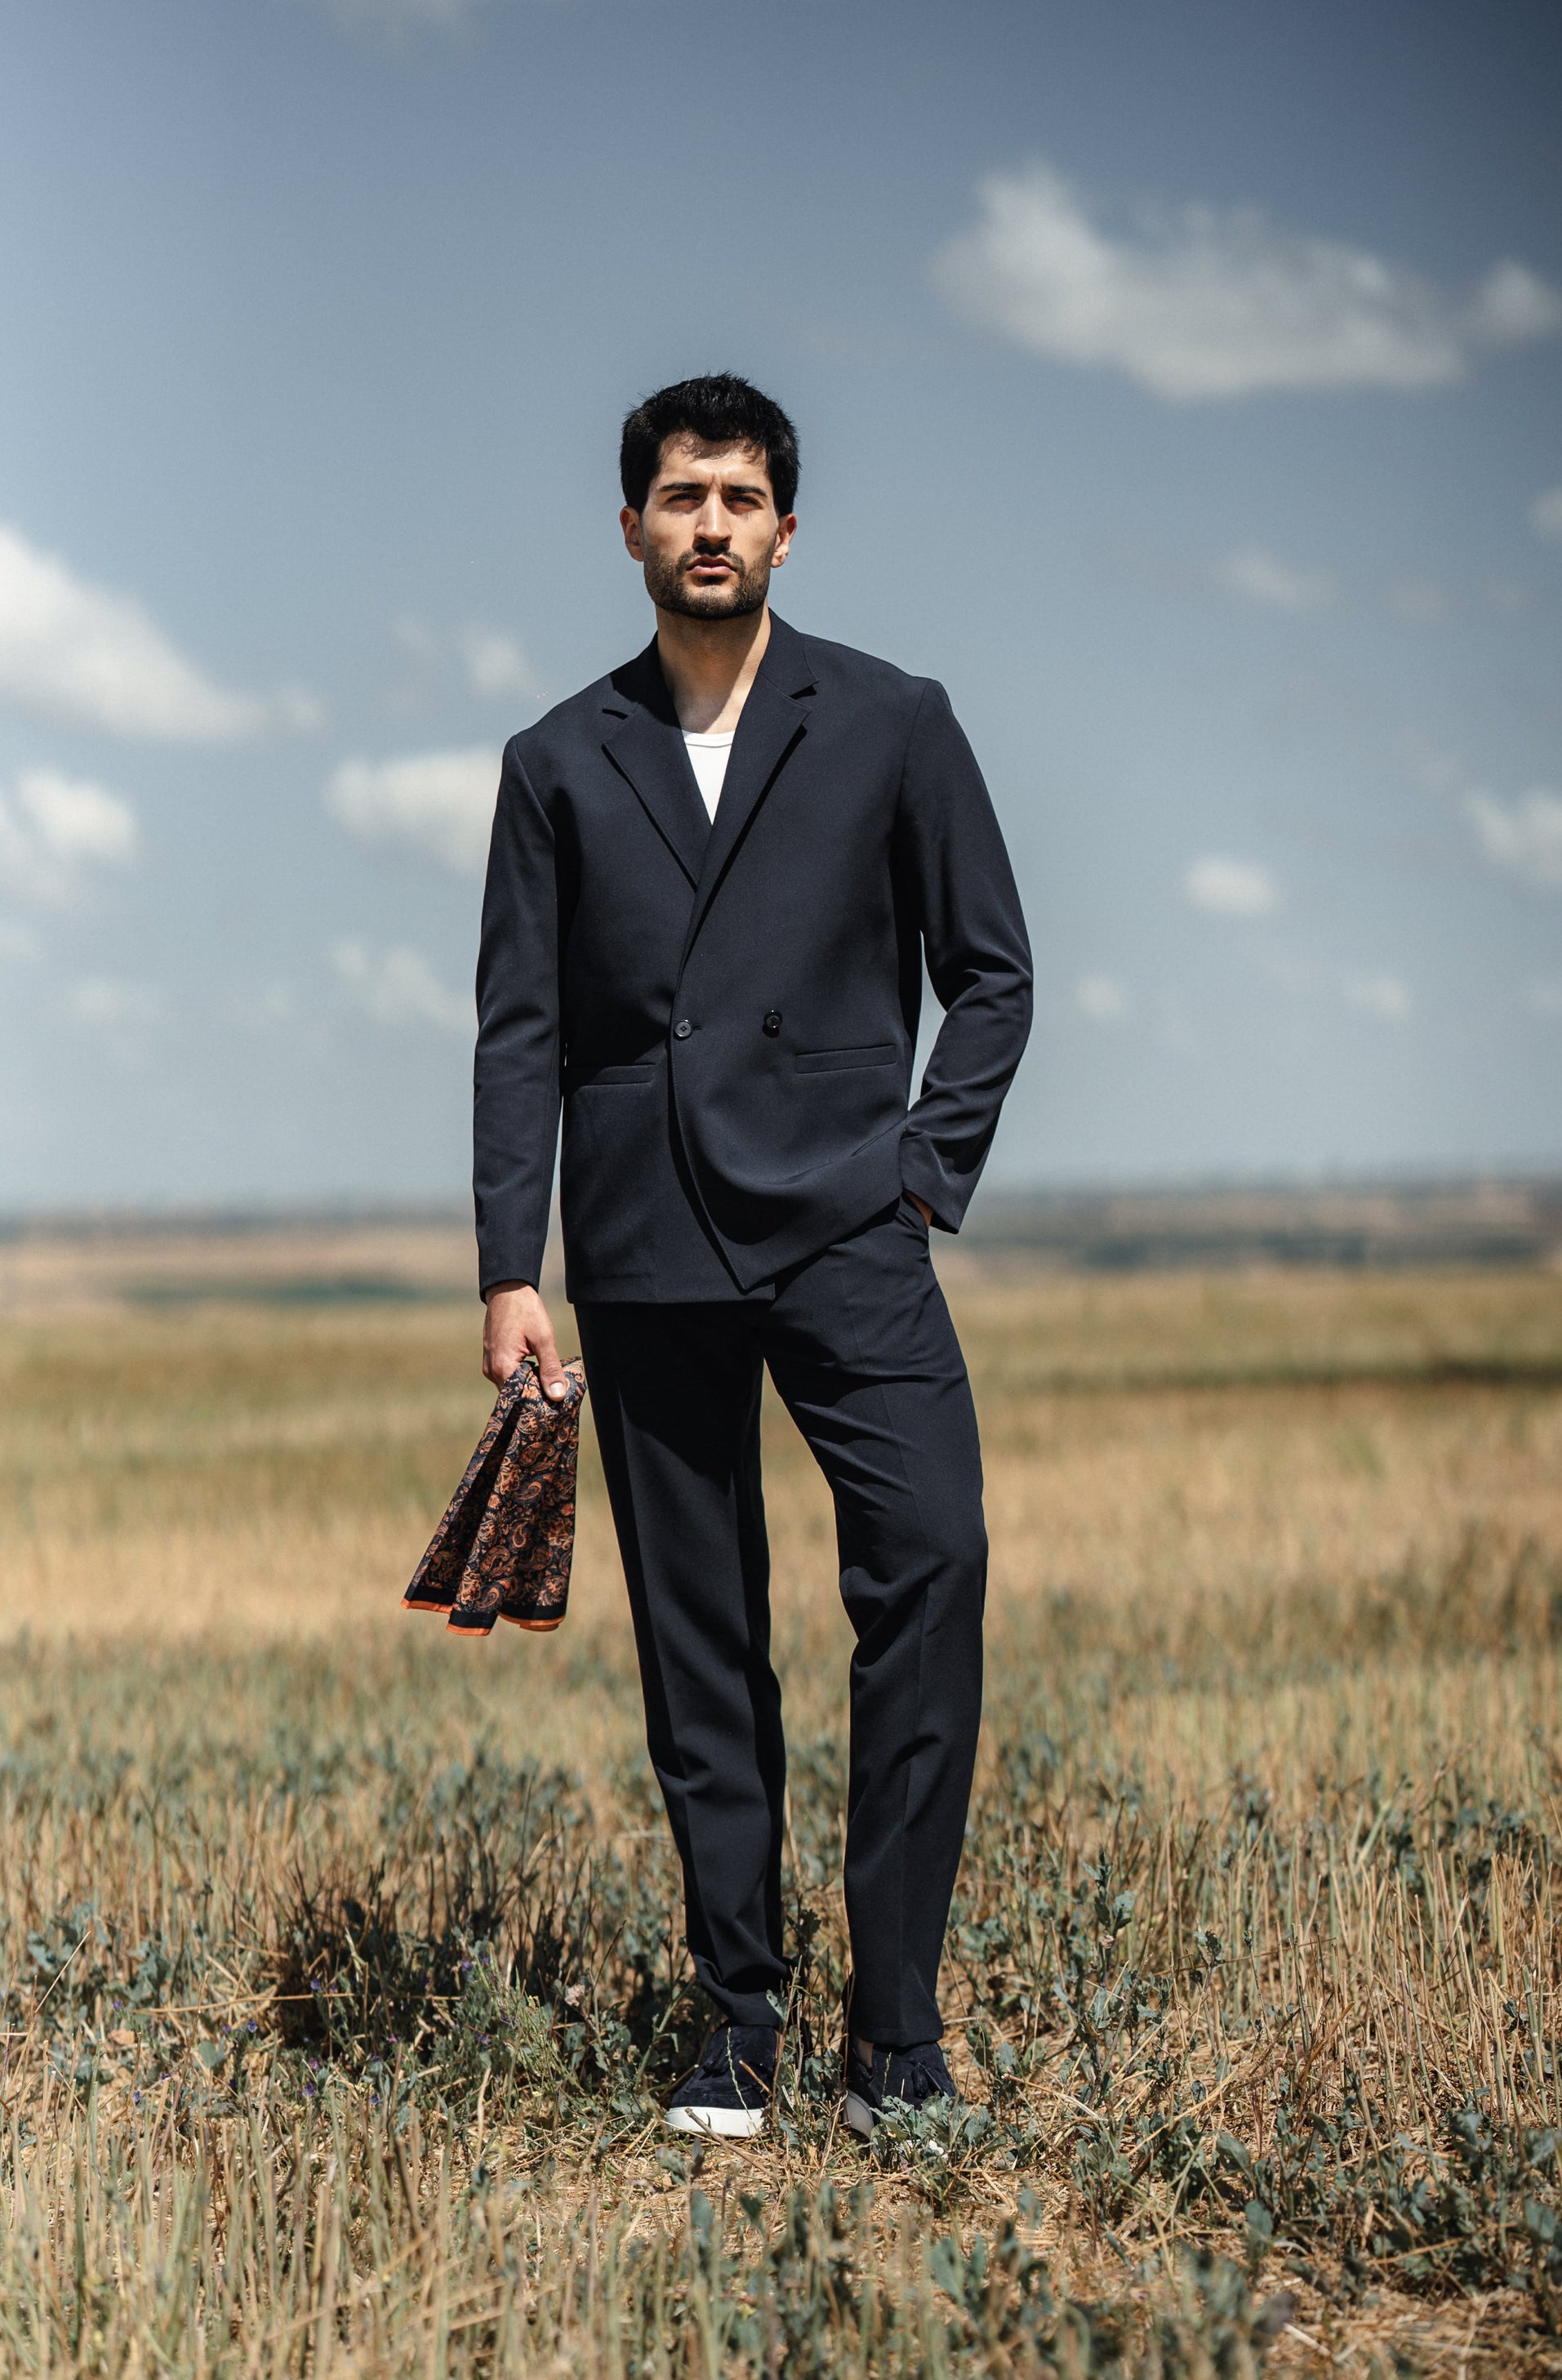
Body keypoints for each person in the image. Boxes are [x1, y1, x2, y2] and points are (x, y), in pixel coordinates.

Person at [474, 375, 1032, 2138]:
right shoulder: (556, 759)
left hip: (852, 1229)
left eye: (738, 494)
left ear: (786, 524)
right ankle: (737, 2024)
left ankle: (896, 2026)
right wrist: (513, 1264)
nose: (708, 521)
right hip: (642, 1248)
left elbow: (993, 968)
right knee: (700, 1647)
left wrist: (922, 1177)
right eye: (677, 495)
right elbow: (516, 1030)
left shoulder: (891, 720)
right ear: (628, 527)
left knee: (930, 1566)